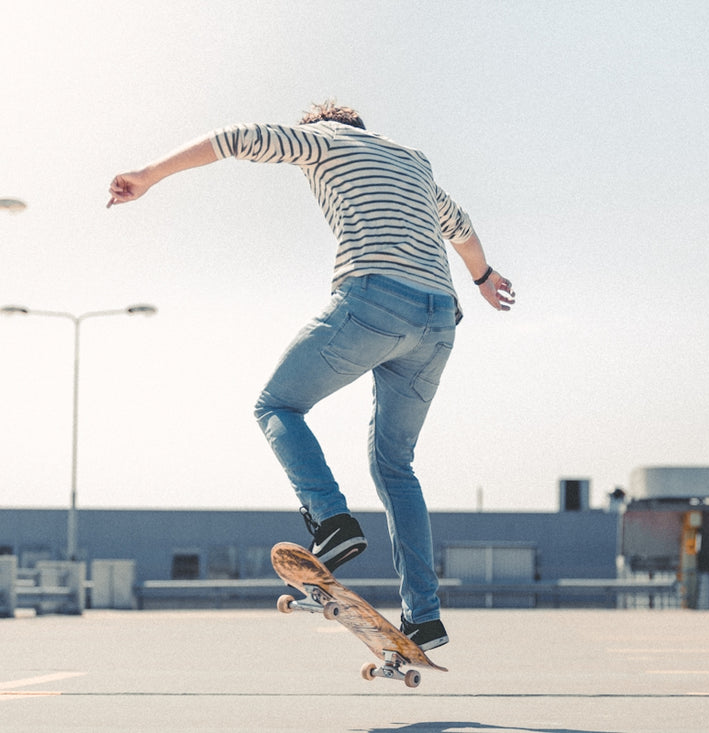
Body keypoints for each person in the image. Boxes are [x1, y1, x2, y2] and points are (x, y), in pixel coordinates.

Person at [107, 101, 514, 651]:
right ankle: (424, 615)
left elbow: (235, 137)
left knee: (276, 405)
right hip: (440, 319)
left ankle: (331, 521)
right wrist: (483, 276)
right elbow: (460, 228)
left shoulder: (322, 141)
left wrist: (149, 175)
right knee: (396, 466)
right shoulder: (413, 160)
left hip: (373, 300)